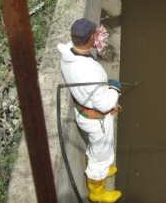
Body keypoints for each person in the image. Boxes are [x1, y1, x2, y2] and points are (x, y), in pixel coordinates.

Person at [57, 18, 122, 203]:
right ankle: (97, 192)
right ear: (90, 38)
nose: (99, 35)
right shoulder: (89, 71)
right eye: (96, 33)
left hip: (84, 110)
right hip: (96, 120)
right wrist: (115, 89)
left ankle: (104, 167)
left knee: (98, 148)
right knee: (99, 155)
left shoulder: (69, 53)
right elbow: (103, 105)